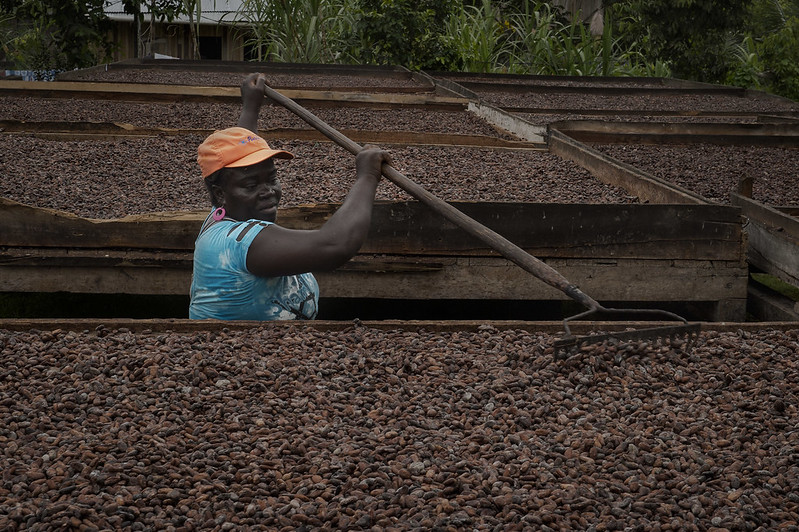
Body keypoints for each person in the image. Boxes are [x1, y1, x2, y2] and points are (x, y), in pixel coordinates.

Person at [189, 73, 391, 320]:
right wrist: (367, 177)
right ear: (220, 194)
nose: (268, 191)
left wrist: (251, 106)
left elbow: (242, 152)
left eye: (271, 178)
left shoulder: (223, 215)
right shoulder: (237, 242)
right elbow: (335, 245)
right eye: (251, 185)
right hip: (246, 356)